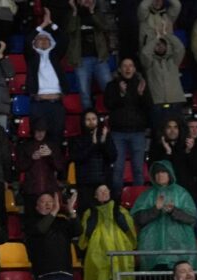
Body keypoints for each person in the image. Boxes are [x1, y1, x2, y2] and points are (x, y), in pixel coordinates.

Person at [25, 193, 83, 280]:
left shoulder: (62, 222)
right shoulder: (32, 222)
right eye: (43, 202)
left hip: (67, 276)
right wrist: (55, 211)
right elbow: (40, 230)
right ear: (36, 206)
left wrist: (71, 211)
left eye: (50, 202)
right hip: (46, 278)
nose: (48, 205)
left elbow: (78, 230)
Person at [79, 184, 136, 280]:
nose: (104, 193)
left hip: (120, 254)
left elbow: (130, 232)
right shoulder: (90, 213)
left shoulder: (120, 210)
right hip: (98, 256)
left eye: (106, 190)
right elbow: (84, 238)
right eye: (100, 191)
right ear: (95, 195)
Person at [130, 161, 197, 271]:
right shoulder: (146, 195)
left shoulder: (182, 193)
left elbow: (191, 218)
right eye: (157, 173)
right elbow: (137, 220)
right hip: (152, 250)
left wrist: (173, 211)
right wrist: (155, 209)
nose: (160, 175)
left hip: (180, 249)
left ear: (170, 174)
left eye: (163, 172)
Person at [103, 57, 151, 195]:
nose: (128, 68)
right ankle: (117, 202)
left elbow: (148, 106)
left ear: (135, 69)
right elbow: (108, 105)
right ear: (119, 69)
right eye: (125, 66)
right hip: (118, 133)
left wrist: (141, 95)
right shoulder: (112, 86)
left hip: (138, 133)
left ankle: (138, 203)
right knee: (117, 169)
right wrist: (121, 95)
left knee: (138, 169)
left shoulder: (140, 84)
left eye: (131, 65)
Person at [26, 10, 67, 144]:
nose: (43, 41)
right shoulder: (32, 57)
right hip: (38, 104)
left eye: (46, 39)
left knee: (57, 139)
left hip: (56, 105)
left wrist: (52, 24)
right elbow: (27, 41)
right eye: (40, 39)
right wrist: (42, 25)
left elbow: (65, 39)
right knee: (38, 140)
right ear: (34, 43)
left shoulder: (55, 56)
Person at [66, 0, 114, 112]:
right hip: (81, 60)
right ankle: (88, 123)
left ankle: (114, 117)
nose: (87, 1)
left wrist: (92, 13)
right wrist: (74, 12)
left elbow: (104, 26)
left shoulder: (97, 12)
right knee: (84, 93)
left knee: (110, 90)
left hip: (100, 59)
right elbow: (70, 29)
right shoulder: (73, 14)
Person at [138, 25, 186, 131]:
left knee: (178, 132)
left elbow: (180, 48)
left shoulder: (174, 61)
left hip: (175, 101)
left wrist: (167, 35)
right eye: (157, 45)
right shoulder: (149, 63)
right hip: (157, 103)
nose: (160, 47)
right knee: (158, 132)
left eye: (162, 44)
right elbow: (145, 53)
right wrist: (155, 39)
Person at [70, 111, 117, 209]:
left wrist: (103, 142)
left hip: (104, 183)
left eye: (94, 119)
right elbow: (77, 158)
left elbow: (112, 157)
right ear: (83, 122)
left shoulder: (105, 137)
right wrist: (93, 145)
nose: (91, 122)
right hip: (85, 184)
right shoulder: (76, 139)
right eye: (88, 119)